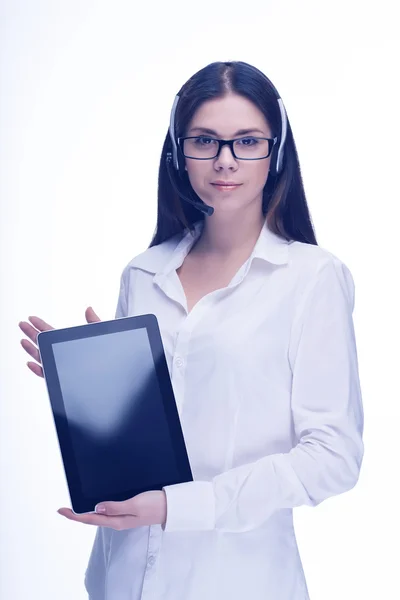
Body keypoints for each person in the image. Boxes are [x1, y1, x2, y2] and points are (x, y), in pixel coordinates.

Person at [19, 60, 364, 600]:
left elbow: (332, 458)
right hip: (124, 575)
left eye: (247, 141)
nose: (225, 160)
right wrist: (91, 391)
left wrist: (177, 508)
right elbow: (152, 434)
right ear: (179, 152)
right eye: (204, 141)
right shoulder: (143, 272)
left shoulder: (312, 278)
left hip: (236, 581)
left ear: (276, 151)